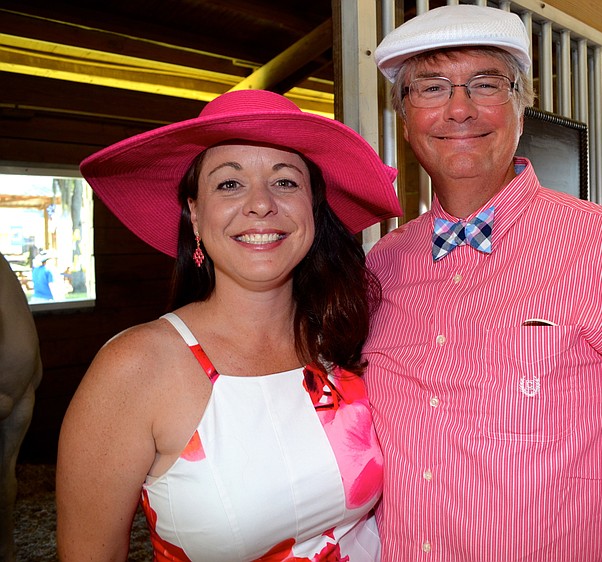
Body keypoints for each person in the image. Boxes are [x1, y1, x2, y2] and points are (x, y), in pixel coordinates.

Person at [364, 5, 602, 561]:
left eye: (486, 83)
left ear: (522, 102)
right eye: (431, 87)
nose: (459, 109)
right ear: (403, 113)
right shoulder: (383, 267)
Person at [56, 89, 402, 561]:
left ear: (313, 213)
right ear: (195, 215)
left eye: (284, 182)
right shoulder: (134, 368)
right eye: (229, 184)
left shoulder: (342, 340)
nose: (261, 205)